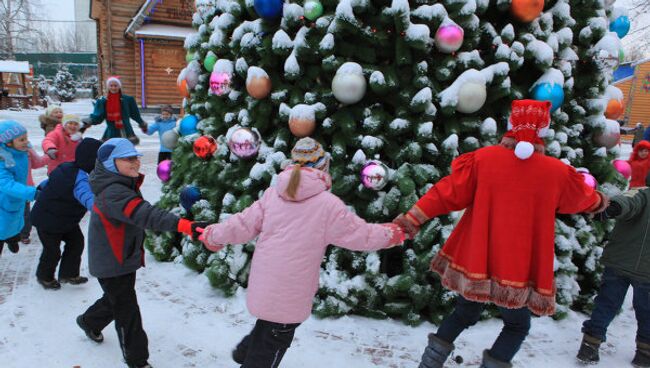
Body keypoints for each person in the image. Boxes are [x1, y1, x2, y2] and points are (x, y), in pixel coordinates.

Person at [393, 100, 609, 368]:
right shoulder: (556, 173)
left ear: (510, 126)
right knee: (517, 325)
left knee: (464, 312)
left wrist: (414, 218)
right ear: (543, 131)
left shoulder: (483, 160)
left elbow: (446, 193)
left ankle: (428, 364)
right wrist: (600, 201)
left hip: (479, 258)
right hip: (519, 265)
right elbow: (583, 199)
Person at [198, 137, 407, 367]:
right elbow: (362, 235)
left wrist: (213, 236)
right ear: (322, 167)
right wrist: (394, 233)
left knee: (271, 324)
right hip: (291, 292)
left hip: (265, 283)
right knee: (273, 340)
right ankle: (250, 355)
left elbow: (241, 224)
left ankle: (246, 350)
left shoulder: (272, 195)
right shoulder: (327, 205)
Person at [76, 138, 205, 368]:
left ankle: (89, 321)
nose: (136, 162)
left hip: (121, 258)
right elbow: (146, 214)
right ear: (110, 163)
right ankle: (137, 361)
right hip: (112, 262)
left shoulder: (119, 183)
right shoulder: (114, 192)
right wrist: (186, 226)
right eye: (128, 159)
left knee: (117, 299)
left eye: (136, 156)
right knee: (127, 312)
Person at [576, 181, 650, 367]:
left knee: (609, 303)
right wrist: (613, 207)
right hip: (629, 264)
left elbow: (627, 200)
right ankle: (644, 352)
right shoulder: (643, 194)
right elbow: (627, 202)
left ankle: (590, 345)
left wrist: (611, 208)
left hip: (623, 262)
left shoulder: (642, 192)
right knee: (644, 309)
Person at [31, 138, 102, 290]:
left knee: (76, 242)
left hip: (64, 219)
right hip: (47, 220)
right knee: (52, 251)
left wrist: (42, 190)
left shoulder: (67, 166)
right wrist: (103, 210)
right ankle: (44, 277)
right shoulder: (81, 179)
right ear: (93, 160)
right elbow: (89, 199)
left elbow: (47, 183)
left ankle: (68, 274)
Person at [0, 120, 37, 255]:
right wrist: (31, 193)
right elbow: (6, 184)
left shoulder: (20, 152)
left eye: (26, 138)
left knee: (15, 222)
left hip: (16, 198)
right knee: (3, 225)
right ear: (8, 143)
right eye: (21, 139)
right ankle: (7, 239)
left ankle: (12, 239)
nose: (26, 142)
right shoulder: (2, 160)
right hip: (3, 199)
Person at [83, 76, 148, 145]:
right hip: (111, 131)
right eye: (111, 85)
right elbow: (98, 116)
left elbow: (135, 114)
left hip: (126, 130)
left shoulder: (128, 100)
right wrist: (90, 120)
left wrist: (142, 123)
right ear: (108, 87)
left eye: (115, 85)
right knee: (111, 151)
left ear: (119, 86)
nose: (113, 88)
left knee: (126, 152)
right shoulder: (103, 101)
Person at [20, 144, 49, 244]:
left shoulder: (27, 149)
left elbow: (37, 162)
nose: (23, 141)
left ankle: (24, 235)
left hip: (25, 188)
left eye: (24, 139)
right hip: (7, 190)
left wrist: (49, 156)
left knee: (25, 213)